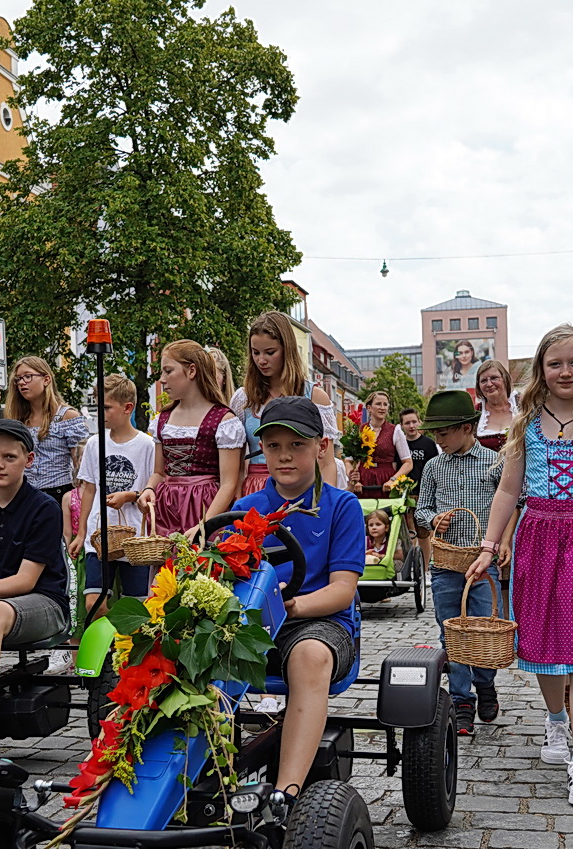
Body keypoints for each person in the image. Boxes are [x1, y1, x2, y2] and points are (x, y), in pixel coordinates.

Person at [467, 326, 573, 808]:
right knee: (543, 642)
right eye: (555, 363)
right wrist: (488, 544)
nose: (565, 372)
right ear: (541, 369)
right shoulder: (524, 425)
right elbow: (507, 491)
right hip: (538, 537)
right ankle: (556, 719)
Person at [229, 397, 364, 803]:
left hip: (318, 622)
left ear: (321, 447)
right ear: (262, 450)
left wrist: (293, 607)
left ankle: (284, 796)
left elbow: (343, 589)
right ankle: (201, 776)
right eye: (273, 446)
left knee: (309, 655)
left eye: (297, 445)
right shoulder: (245, 508)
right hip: (254, 624)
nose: (284, 456)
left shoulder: (342, 507)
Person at [0, 419, 70, 715]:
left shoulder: (44, 508)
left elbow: (25, 581)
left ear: (28, 460)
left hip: (43, 602)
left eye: (9, 457)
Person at [415, 389, 505, 734]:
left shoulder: (494, 462)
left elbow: (512, 502)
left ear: (468, 427)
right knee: (451, 631)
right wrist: (435, 518)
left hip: (482, 563)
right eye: (435, 435)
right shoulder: (435, 467)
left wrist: (502, 543)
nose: (438, 441)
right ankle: (460, 698)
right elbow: (421, 511)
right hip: (445, 565)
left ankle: (485, 684)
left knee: (483, 626)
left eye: (443, 433)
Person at [73, 374, 156, 614]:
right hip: (99, 536)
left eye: (106, 407)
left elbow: (153, 488)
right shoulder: (94, 444)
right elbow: (89, 488)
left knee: (137, 607)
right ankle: (108, 647)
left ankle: (125, 647)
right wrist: (81, 533)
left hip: (134, 537)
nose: (101, 413)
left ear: (127, 408)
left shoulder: (146, 445)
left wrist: (130, 496)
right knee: (93, 603)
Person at [146, 340, 245, 536]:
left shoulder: (223, 420)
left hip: (206, 508)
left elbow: (228, 483)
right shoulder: (163, 419)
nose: (162, 379)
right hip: (168, 510)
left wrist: (205, 524)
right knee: (169, 565)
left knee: (202, 563)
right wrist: (149, 489)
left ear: (191, 371)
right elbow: (159, 472)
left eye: (168, 371)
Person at [233, 310, 337, 496]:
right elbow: (236, 464)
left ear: (287, 350)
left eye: (270, 352)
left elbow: (327, 463)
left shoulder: (314, 396)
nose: (261, 360)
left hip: (304, 489)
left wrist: (325, 505)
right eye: (255, 353)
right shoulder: (243, 398)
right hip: (257, 491)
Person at [7, 356, 88, 506]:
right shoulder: (19, 418)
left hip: (58, 494)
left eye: (28, 376)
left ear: (46, 379)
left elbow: (81, 466)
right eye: (18, 379)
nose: (22, 382)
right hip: (24, 494)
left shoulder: (66, 416)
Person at [401, 407, 440, 568]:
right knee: (407, 534)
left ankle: (424, 568)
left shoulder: (428, 444)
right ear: (402, 425)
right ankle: (409, 567)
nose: (411, 426)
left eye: (414, 422)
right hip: (404, 494)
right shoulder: (400, 443)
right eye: (407, 423)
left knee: (424, 533)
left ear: (419, 423)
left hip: (423, 494)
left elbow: (436, 468)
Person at [357, 390, 412, 497]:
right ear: (369, 408)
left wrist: (393, 480)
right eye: (378, 404)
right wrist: (353, 479)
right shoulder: (360, 430)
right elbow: (349, 461)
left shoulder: (395, 430)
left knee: (385, 512)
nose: (382, 407)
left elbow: (408, 463)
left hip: (386, 478)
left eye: (385, 404)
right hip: (363, 479)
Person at [474, 360, 518, 451]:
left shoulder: (524, 405)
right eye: (484, 381)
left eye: (494, 378)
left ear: (505, 379)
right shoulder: (475, 413)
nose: (489, 384)